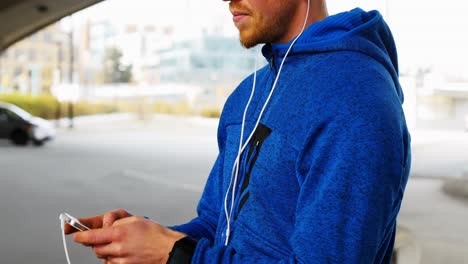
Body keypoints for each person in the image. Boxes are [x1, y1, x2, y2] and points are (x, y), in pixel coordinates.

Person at [66, 0, 411, 263]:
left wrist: (173, 254)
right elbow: (217, 224)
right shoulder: (247, 95)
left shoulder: (354, 99)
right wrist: (148, 238)